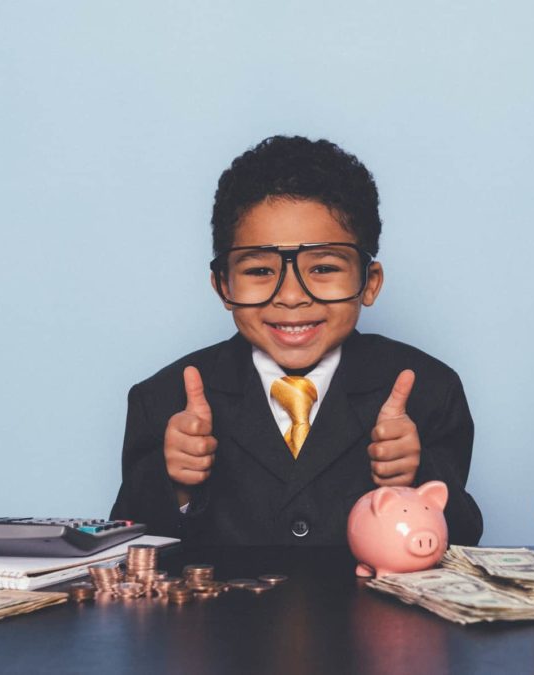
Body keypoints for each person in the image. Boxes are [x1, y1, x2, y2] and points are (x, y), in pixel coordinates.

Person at [110, 135, 483, 546]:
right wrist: (175, 485)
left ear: (369, 282)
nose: (291, 296)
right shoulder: (163, 399)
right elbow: (126, 547)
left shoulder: (429, 390)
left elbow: (465, 538)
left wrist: (417, 474)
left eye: (323, 267)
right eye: (259, 271)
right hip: (223, 613)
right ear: (222, 285)